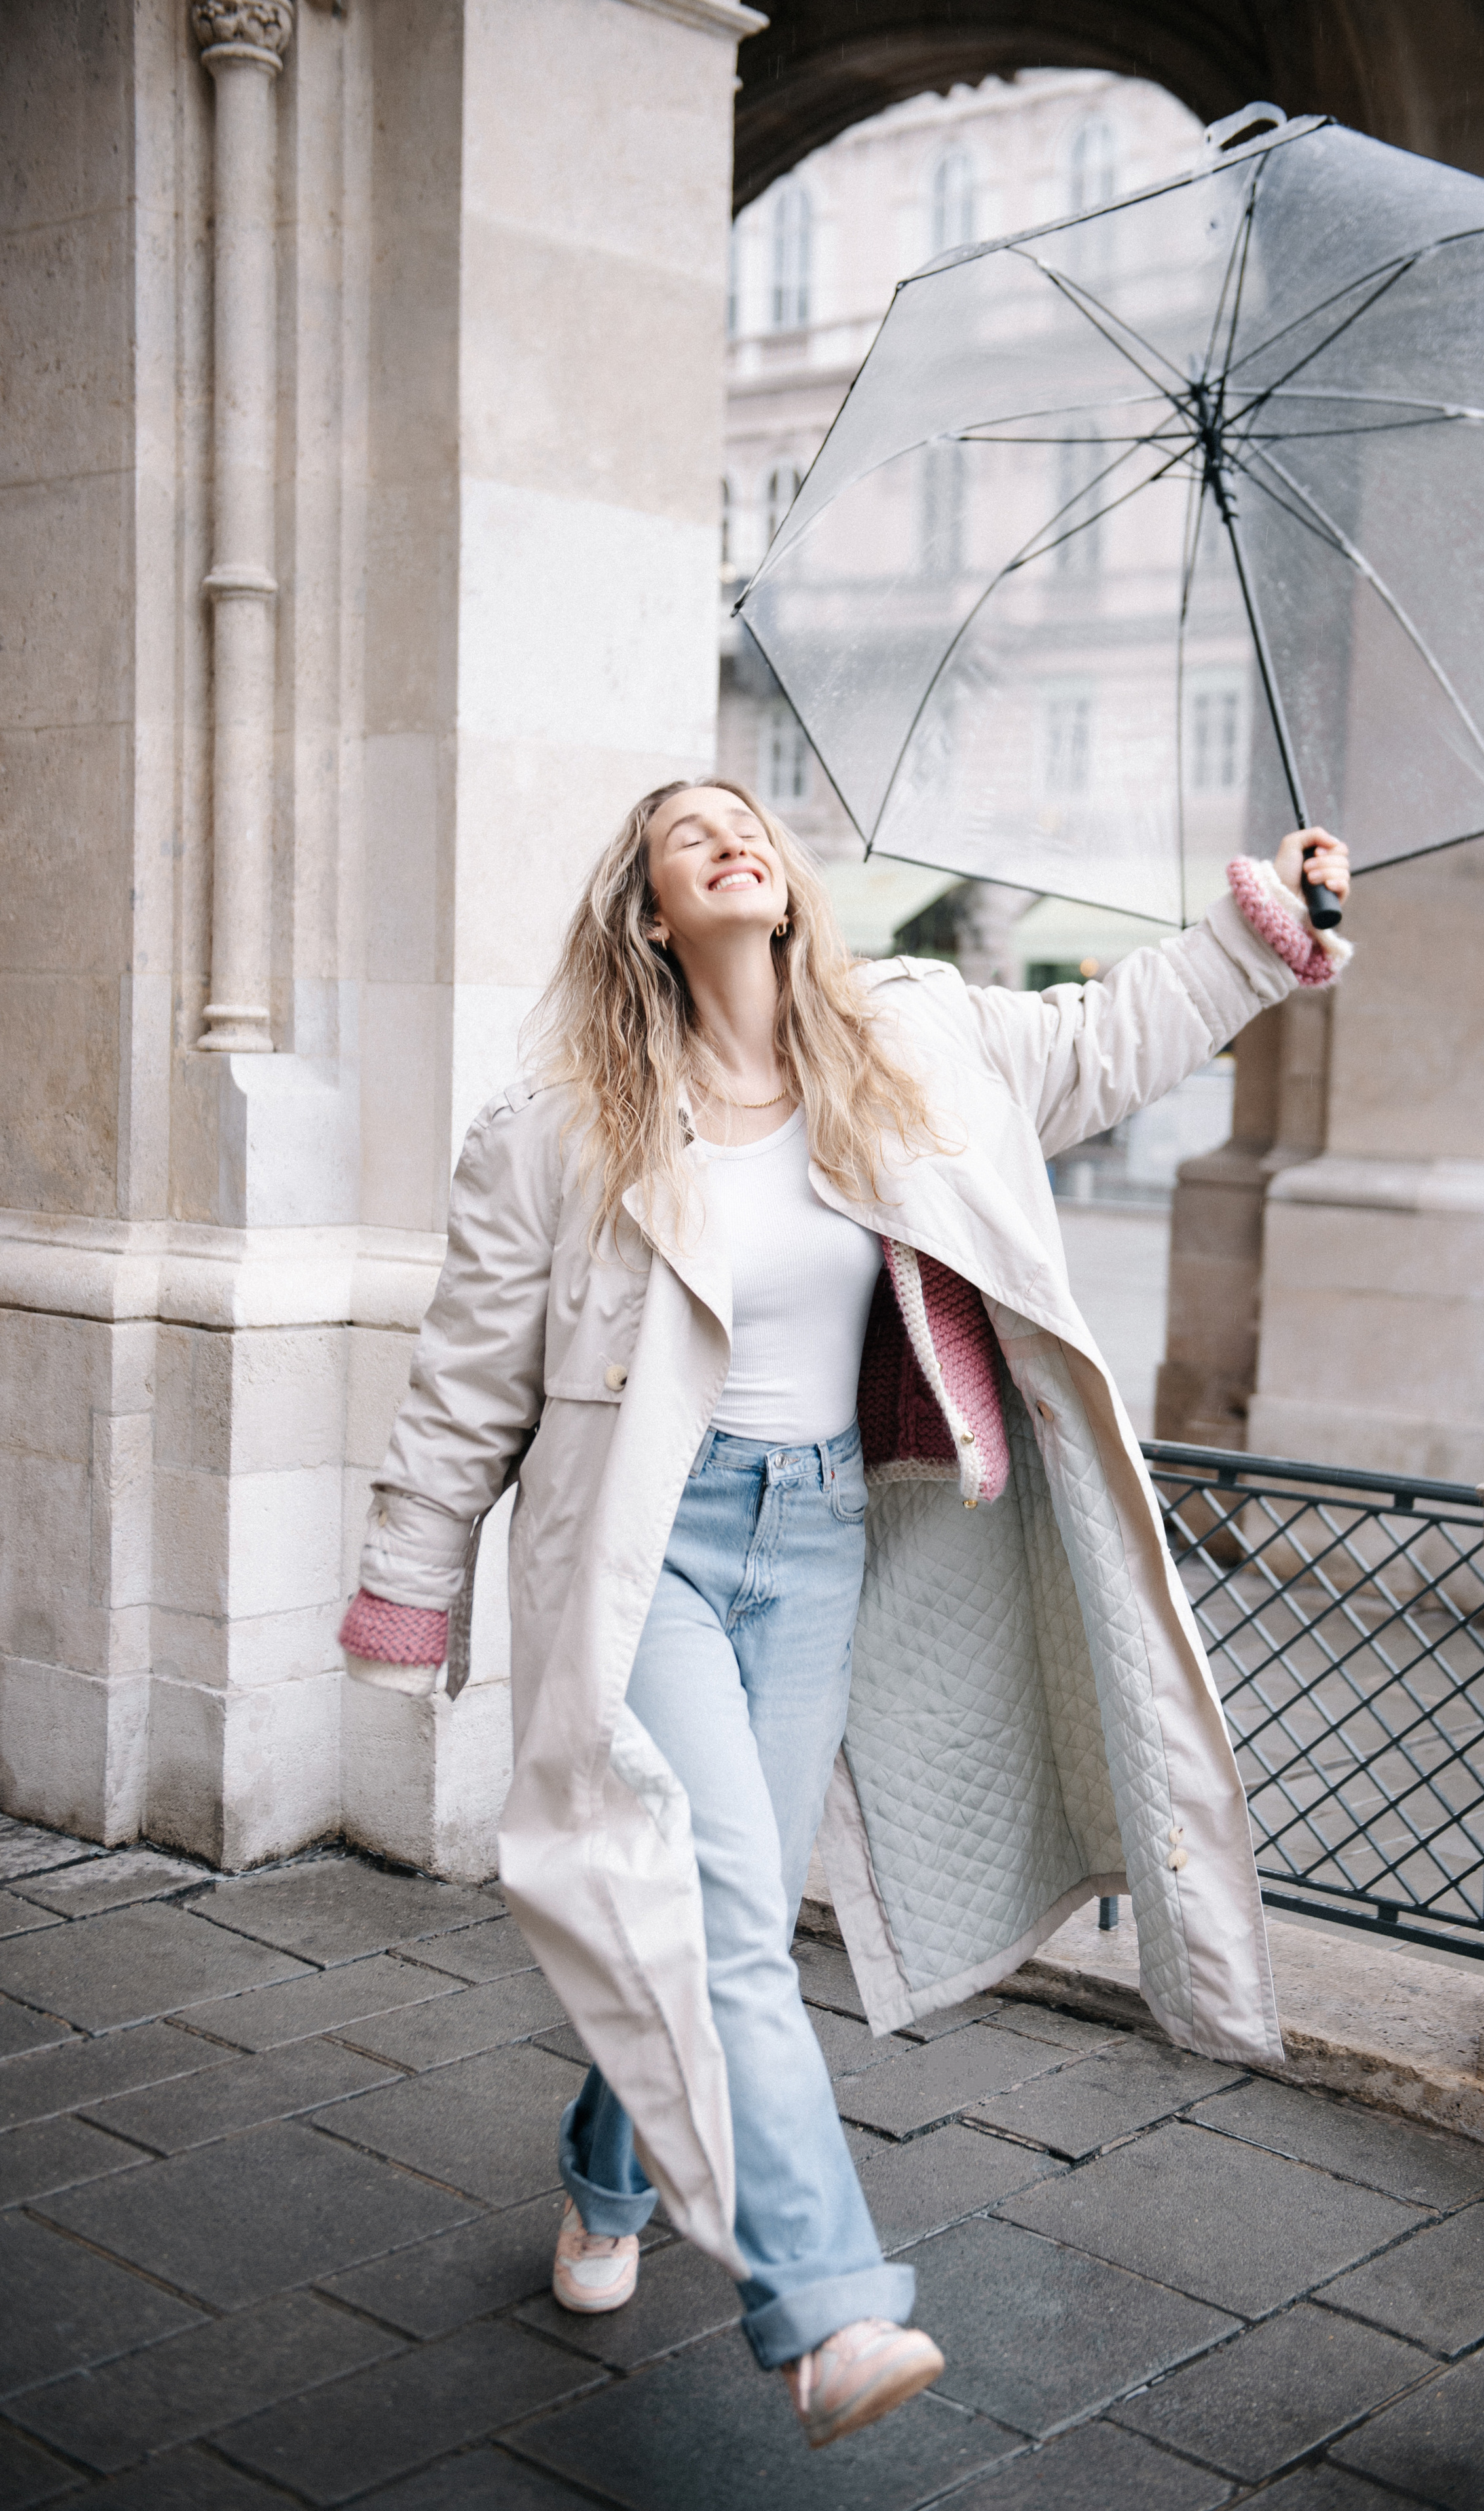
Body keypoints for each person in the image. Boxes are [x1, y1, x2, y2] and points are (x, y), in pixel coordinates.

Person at [338, 782, 1352, 2449]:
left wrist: (1269, 934)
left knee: (706, 1890)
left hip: (815, 1533)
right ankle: (824, 2313)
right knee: (733, 1911)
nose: (731, 838)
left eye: (748, 822)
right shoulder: (555, 1125)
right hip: (639, 1548)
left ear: (790, 886)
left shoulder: (913, 1041)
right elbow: (464, 1384)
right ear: (655, 917)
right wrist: (408, 1584)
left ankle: (608, 2168)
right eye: (688, 837)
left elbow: (1110, 1039)